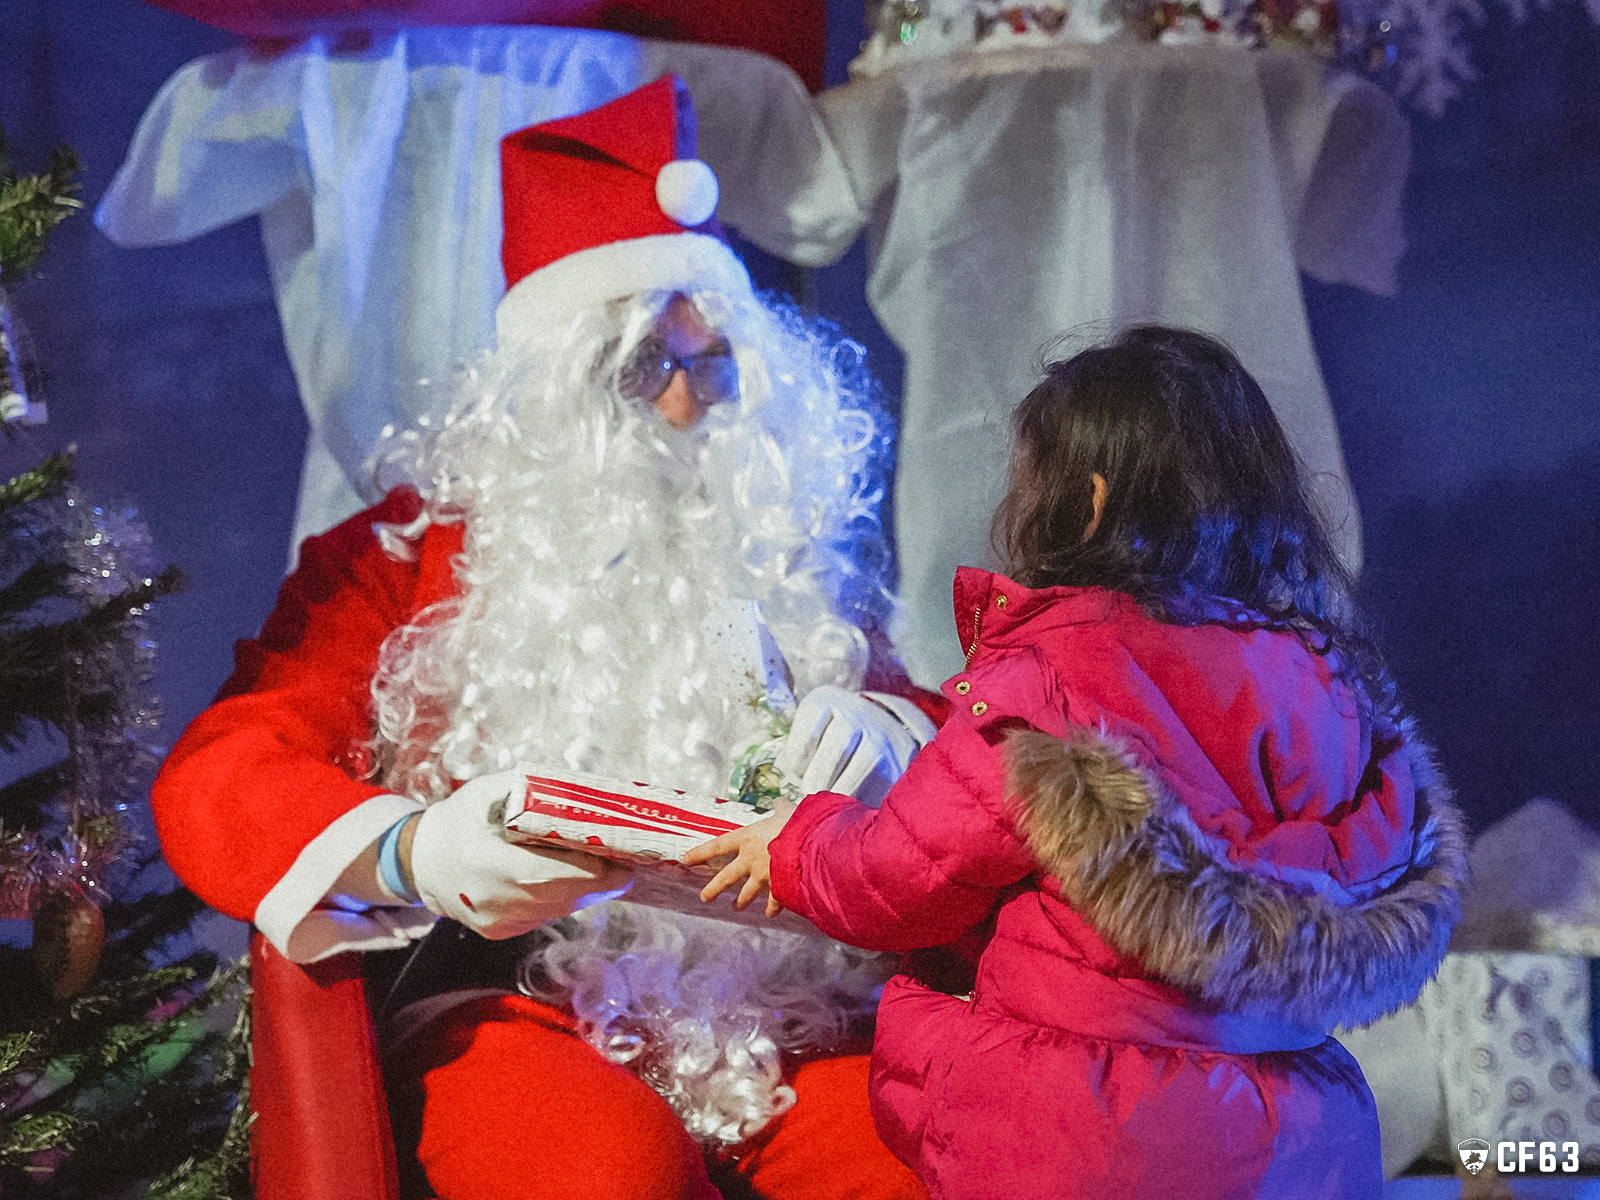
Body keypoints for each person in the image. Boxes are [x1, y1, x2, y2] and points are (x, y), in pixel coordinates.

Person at [151, 77, 937, 1200]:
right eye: (641, 366)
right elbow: (222, 773)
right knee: (603, 1173)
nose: (685, 408)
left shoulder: (781, 553)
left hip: (788, 1007)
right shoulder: (405, 555)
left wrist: (896, 732)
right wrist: (417, 851)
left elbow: (958, 735)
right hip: (519, 997)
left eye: (711, 362)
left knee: (931, 1153)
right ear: (554, 384)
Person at [688, 326, 1469, 1199]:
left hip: (1084, 1139)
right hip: (1302, 1137)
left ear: (1088, 501)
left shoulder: (1053, 679)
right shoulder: (1331, 690)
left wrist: (797, 843)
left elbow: (895, 881)